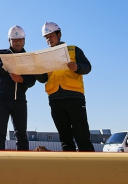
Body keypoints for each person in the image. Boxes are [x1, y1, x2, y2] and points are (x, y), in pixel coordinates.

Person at [36, 22, 94, 152]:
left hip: (74, 97)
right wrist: (36, 71)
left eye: (51, 36)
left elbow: (87, 67)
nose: (48, 39)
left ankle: (90, 167)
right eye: (46, 37)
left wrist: (77, 67)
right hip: (55, 99)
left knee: (81, 134)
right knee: (64, 137)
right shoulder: (45, 56)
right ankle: (70, 168)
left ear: (59, 34)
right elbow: (44, 78)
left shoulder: (73, 50)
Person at [0, 25, 36, 151]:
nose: (17, 42)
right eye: (14, 40)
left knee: (21, 135)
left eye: (20, 39)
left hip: (19, 101)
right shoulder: (0, 54)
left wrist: (22, 80)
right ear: (9, 40)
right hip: (1, 100)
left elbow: (32, 80)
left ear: (24, 40)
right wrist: (3, 67)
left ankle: (23, 165)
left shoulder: (28, 58)